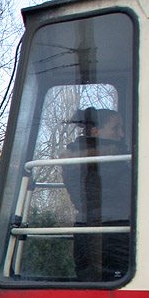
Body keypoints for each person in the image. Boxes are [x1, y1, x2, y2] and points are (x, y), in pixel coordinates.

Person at [61, 107, 131, 282]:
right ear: (95, 131)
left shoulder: (73, 158)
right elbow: (124, 196)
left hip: (87, 237)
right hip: (113, 237)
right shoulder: (108, 162)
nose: (121, 134)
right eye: (116, 128)